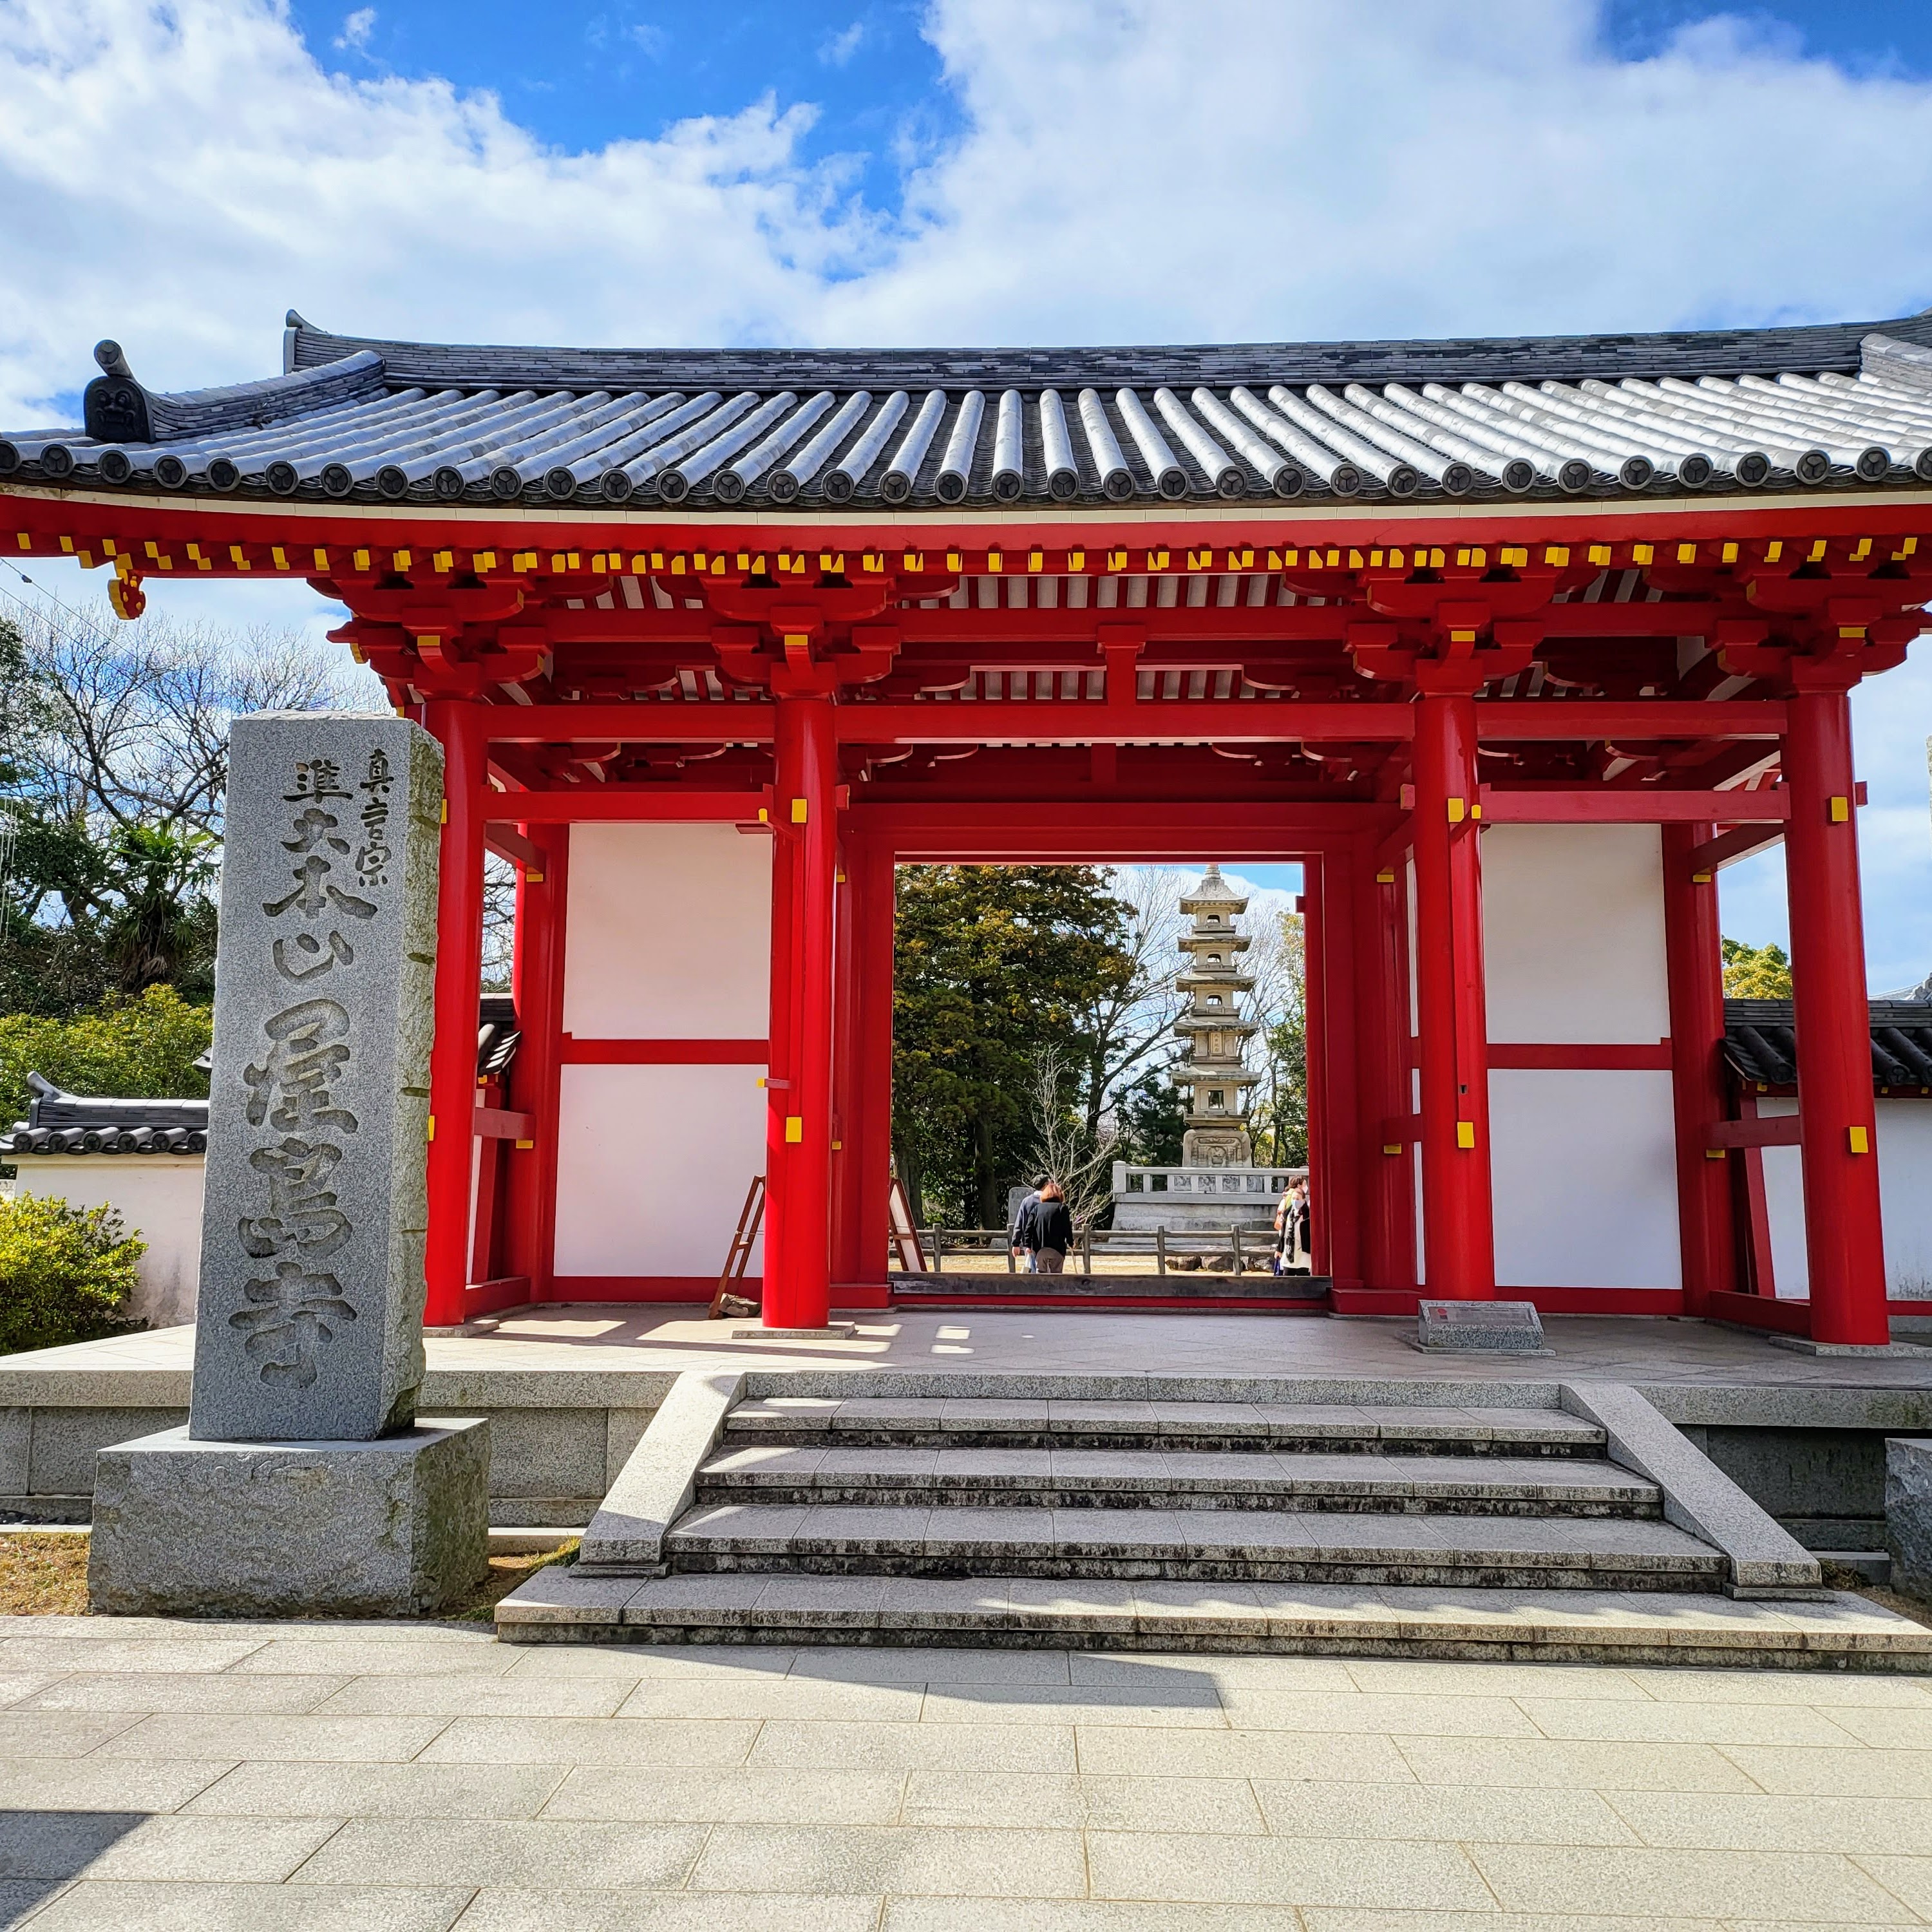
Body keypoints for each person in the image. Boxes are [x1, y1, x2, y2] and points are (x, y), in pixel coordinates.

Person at [1028, 1179, 1074, 1274]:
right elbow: (1067, 1228)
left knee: (1040, 1272)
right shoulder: (1062, 1208)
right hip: (1057, 1248)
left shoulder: (1037, 1209)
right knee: (1056, 1274)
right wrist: (1071, 1242)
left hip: (1040, 1248)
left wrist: (1028, 1245)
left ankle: (1041, 1289)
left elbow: (1029, 1228)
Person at [1009, 1175, 1046, 1272]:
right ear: (1046, 1185)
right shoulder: (1049, 1201)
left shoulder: (1027, 1201)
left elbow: (1020, 1222)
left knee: (1029, 1265)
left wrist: (1016, 1243)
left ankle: (1026, 1284)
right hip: (1047, 1243)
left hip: (1029, 1243)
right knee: (1044, 1270)